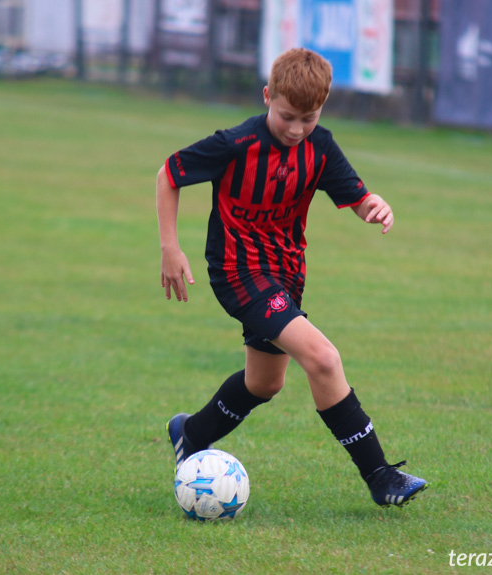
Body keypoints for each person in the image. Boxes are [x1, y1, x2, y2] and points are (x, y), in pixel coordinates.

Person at [157, 47, 427, 508]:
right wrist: (170, 248)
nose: (297, 129)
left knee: (265, 383)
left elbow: (357, 197)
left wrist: (373, 205)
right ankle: (381, 477)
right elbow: (169, 173)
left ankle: (191, 432)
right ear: (267, 96)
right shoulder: (235, 144)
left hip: (285, 275)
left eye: (309, 117)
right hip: (238, 271)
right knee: (323, 358)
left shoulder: (319, 146)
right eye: (287, 116)